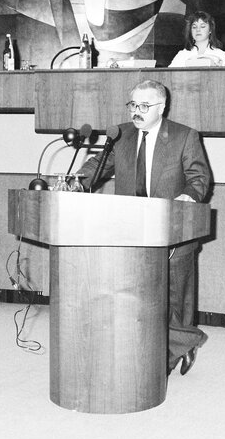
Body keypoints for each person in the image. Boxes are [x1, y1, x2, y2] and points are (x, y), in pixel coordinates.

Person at [79, 79, 212, 376]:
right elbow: (97, 166)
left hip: (173, 228)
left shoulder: (183, 136)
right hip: (130, 228)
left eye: (144, 106)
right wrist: (75, 183)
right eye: (132, 105)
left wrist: (188, 197)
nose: (136, 112)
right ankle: (172, 348)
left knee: (176, 299)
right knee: (137, 296)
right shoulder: (121, 135)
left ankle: (181, 343)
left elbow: (199, 178)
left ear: (161, 107)